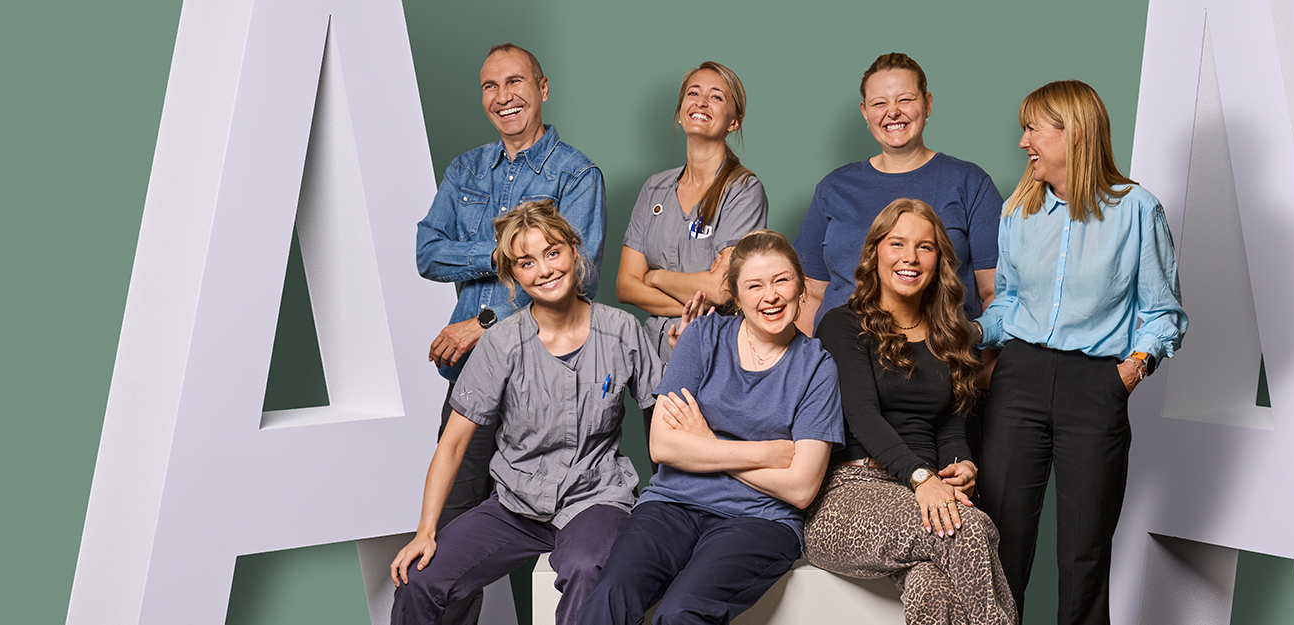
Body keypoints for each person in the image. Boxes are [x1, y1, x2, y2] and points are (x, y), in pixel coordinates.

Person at [390, 201, 661, 625]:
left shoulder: (622, 330)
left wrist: (666, 512)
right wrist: (425, 532)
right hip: (516, 504)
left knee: (587, 568)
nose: (545, 270)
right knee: (420, 579)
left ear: (574, 250)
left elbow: (659, 421)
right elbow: (453, 443)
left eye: (553, 252)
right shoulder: (500, 343)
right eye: (526, 262)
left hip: (596, 499)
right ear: (512, 274)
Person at [974, 80, 1185, 625]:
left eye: (1032, 129)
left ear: (1073, 133)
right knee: (1000, 542)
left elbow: (1162, 313)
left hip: (1095, 386)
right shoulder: (1018, 211)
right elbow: (1008, 303)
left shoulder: (1137, 210)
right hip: (1018, 380)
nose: (1022, 142)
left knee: (1084, 551)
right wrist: (969, 334)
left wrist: (1129, 373)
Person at [411, 42, 607, 625]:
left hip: (547, 381)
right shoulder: (465, 171)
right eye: (490, 87)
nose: (504, 97)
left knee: (561, 526)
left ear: (542, 89)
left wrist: (485, 323)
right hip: (471, 380)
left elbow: (577, 276)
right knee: (449, 536)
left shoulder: (577, 174)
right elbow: (427, 252)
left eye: (515, 82)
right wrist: (505, 251)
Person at [578, 231, 846, 625]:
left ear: (801, 286)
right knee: (610, 595)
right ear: (736, 296)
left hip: (759, 519)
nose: (771, 296)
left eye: (782, 280)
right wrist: (766, 453)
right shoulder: (703, 337)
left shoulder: (817, 368)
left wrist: (705, 442)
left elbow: (801, 488)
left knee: (681, 612)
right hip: (673, 504)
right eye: (755, 285)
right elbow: (662, 446)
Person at [806, 199, 1016, 624]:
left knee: (931, 587)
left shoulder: (948, 335)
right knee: (968, 529)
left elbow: (950, 430)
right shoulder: (842, 325)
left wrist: (962, 466)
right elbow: (862, 415)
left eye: (925, 247)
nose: (910, 258)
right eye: (897, 243)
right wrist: (922, 478)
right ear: (875, 253)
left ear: (939, 262)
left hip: (922, 492)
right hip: (847, 495)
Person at [796, 53, 1005, 336]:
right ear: (865, 111)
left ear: (927, 104)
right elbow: (811, 294)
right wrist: (806, 361)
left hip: (940, 353)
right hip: (842, 352)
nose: (892, 112)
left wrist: (982, 355)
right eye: (879, 103)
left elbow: (994, 292)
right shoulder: (833, 188)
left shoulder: (970, 183)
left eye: (905, 100)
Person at [616, 61, 769, 352]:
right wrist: (700, 298)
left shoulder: (744, 191)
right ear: (680, 111)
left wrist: (654, 276)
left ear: (734, 121)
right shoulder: (654, 188)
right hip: (652, 355)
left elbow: (721, 290)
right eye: (693, 93)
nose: (701, 102)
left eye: (716, 96)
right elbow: (625, 285)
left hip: (714, 350)